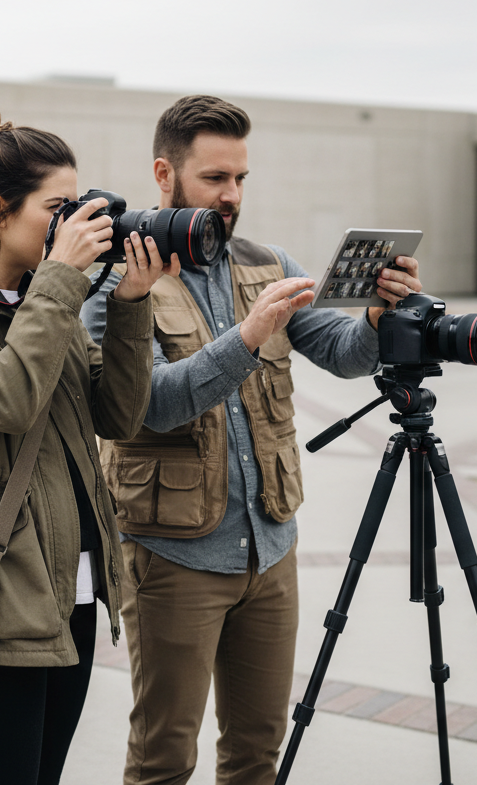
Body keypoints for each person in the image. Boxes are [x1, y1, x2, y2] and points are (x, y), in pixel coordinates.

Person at [82, 94, 423, 785]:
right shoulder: (116, 279)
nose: (231, 194)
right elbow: (144, 408)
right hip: (171, 559)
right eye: (215, 178)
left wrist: (380, 317)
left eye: (240, 178)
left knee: (256, 757)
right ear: (164, 173)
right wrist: (246, 338)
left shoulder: (268, 262)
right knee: (162, 760)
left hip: (270, 552)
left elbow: (344, 351)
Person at [0, 106, 180, 785]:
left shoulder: (40, 301)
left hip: (69, 590)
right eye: (58, 208)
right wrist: (60, 280)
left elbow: (118, 413)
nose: (75, 224)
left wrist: (133, 301)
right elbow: (6, 398)